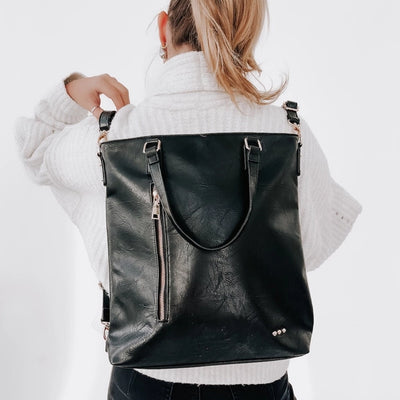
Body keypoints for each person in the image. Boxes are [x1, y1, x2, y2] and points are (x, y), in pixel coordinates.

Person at [14, 0, 363, 399]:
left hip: (146, 380)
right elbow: (310, 247)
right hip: (263, 379)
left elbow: (34, 149)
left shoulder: (114, 137)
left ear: (163, 28)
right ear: (245, 34)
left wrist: (72, 88)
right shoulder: (286, 131)